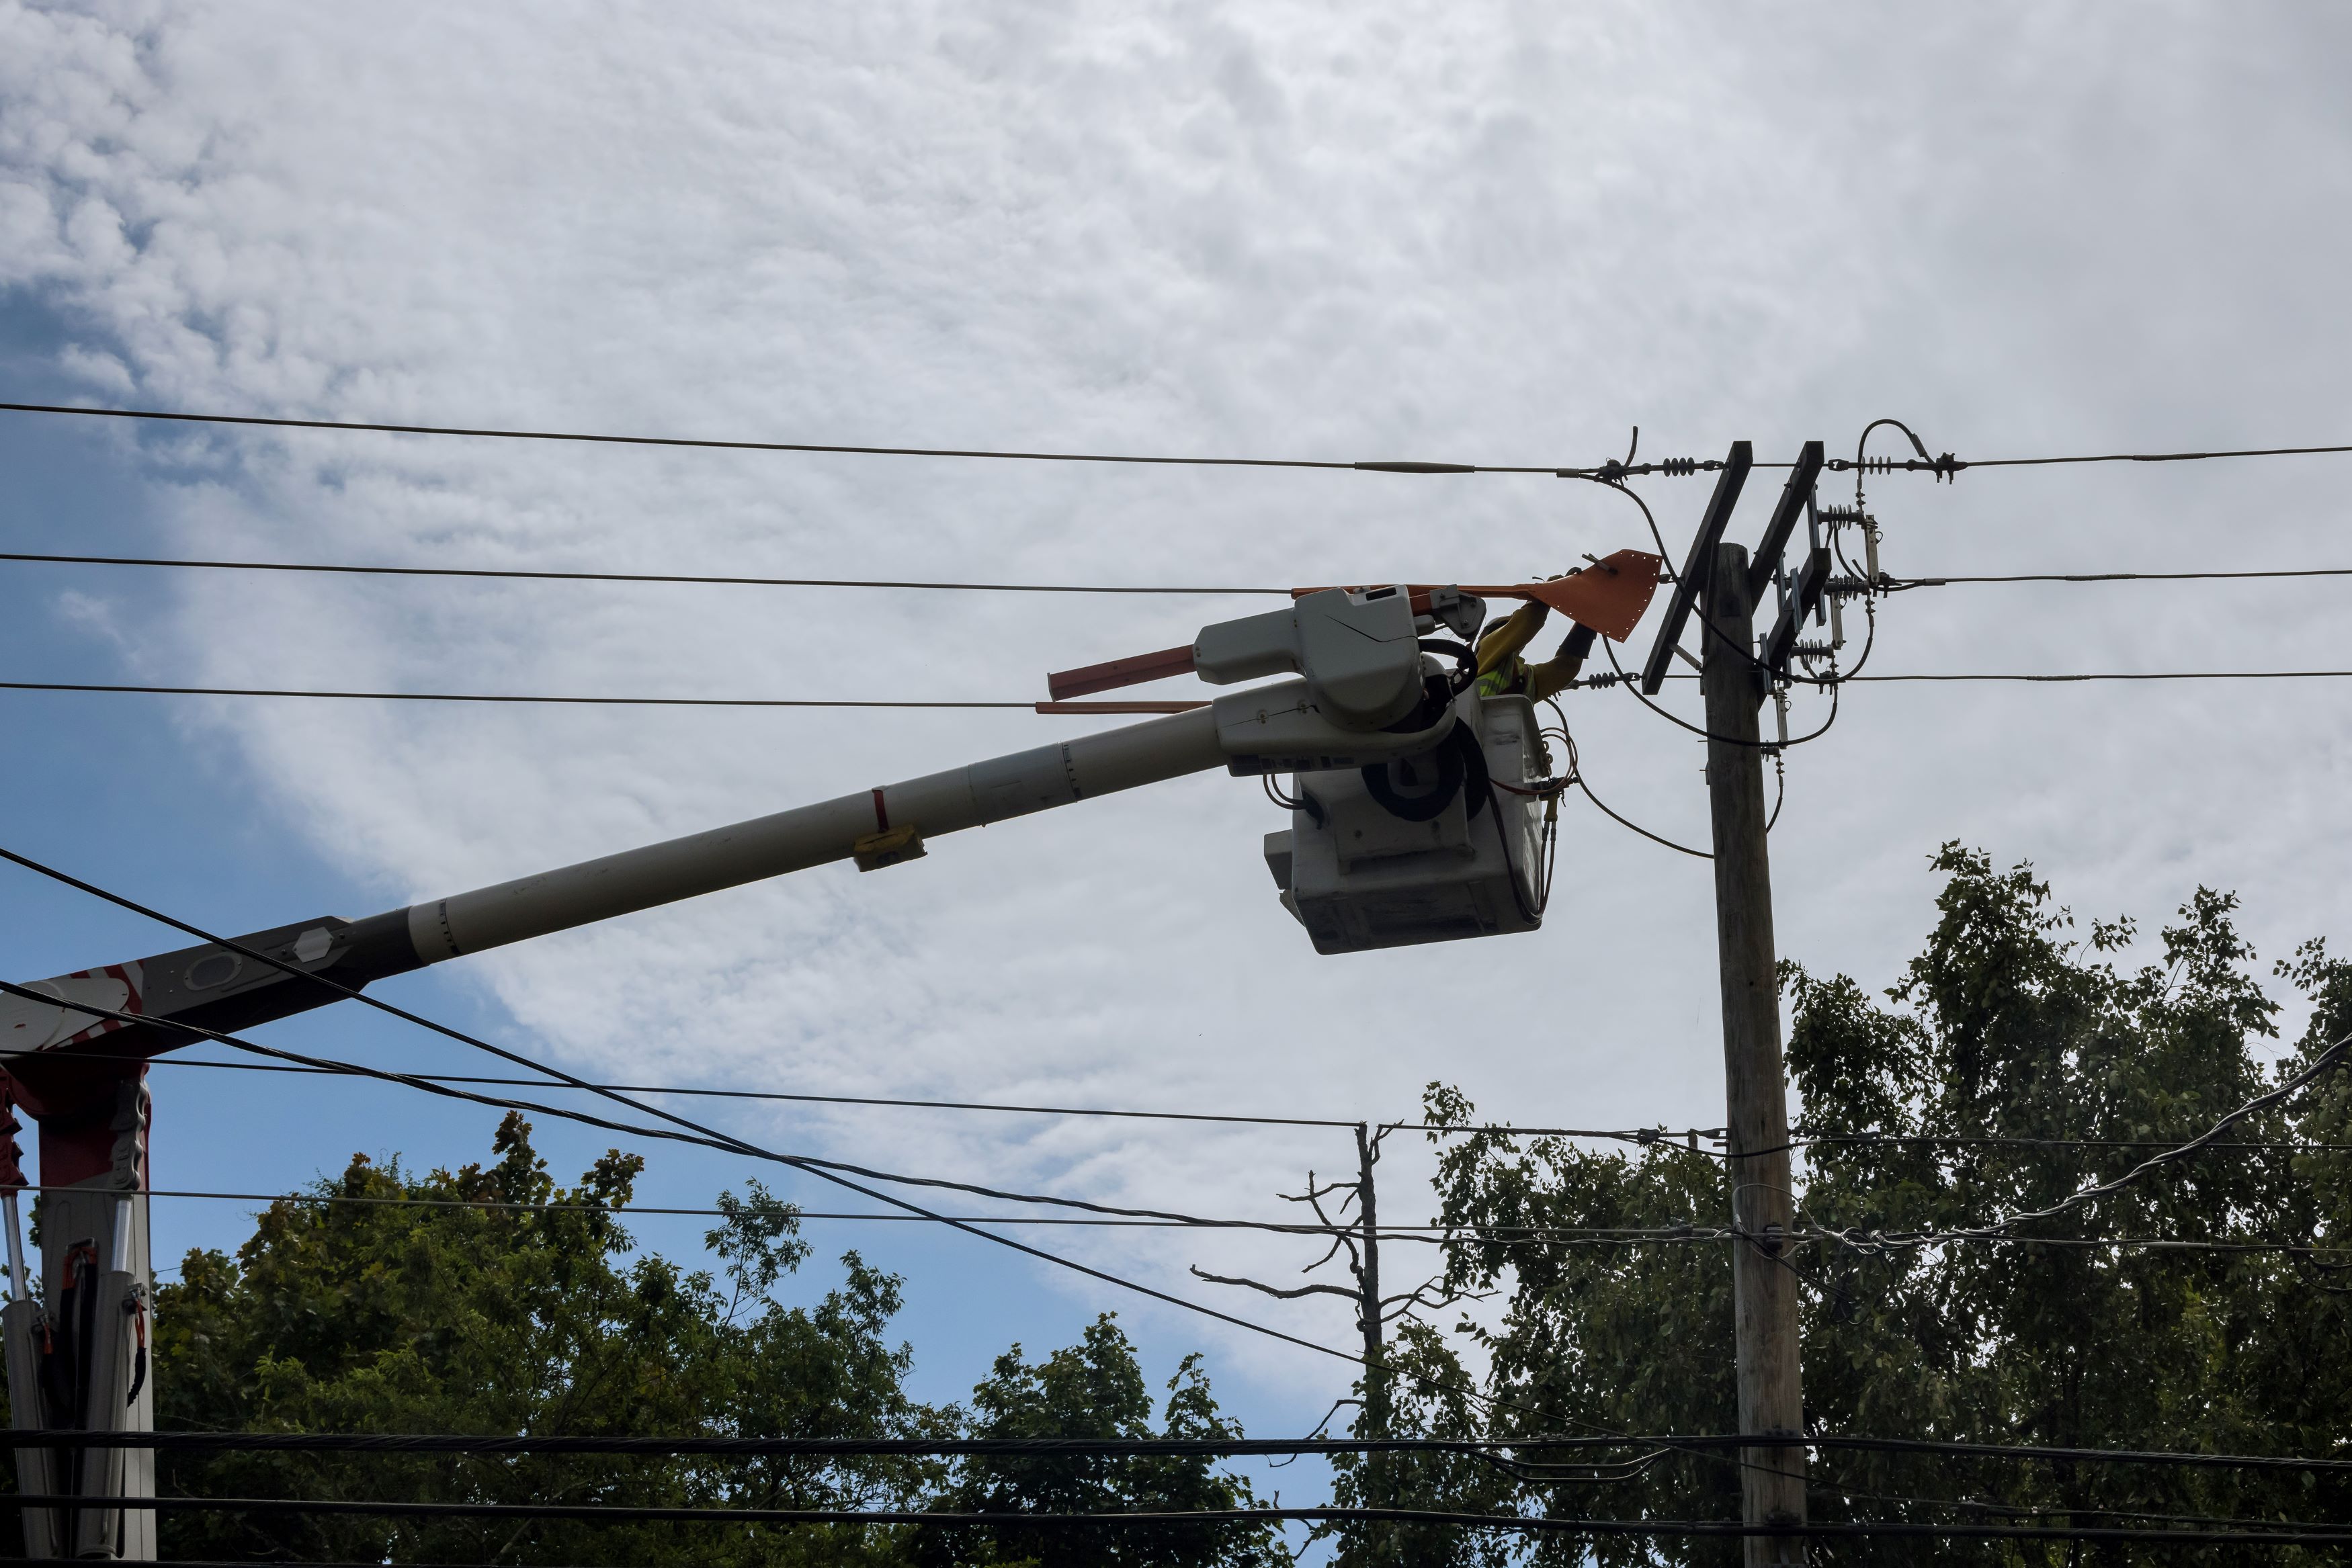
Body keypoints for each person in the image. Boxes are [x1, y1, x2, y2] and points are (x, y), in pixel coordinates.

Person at [1473, 600, 1596, 701]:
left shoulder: (1525, 676)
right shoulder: (1484, 650)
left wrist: (1588, 622)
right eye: (1507, 626)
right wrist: (1549, 592)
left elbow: (1568, 665)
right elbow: (1528, 621)